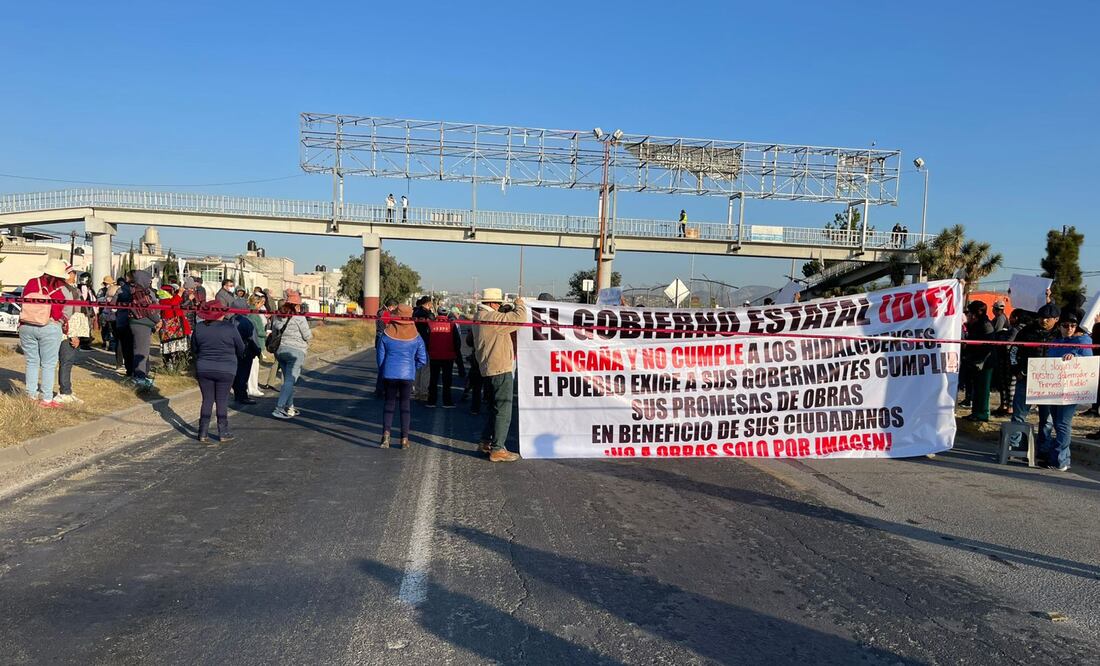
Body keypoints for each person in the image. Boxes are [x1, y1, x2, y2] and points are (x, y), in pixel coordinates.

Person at [473, 288, 526, 462]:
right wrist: (519, 305)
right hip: (500, 368)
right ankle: (498, 448)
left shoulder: (479, 316)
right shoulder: (492, 318)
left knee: (493, 408)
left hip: (488, 368)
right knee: (504, 409)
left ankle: (486, 441)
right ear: (493, 304)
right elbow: (520, 319)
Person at [1037, 311, 1092, 470]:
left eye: (1073, 325)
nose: (1069, 328)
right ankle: (1060, 458)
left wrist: (1075, 357)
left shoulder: (1083, 340)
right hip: (1054, 387)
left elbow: (1088, 361)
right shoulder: (1056, 341)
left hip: (1072, 388)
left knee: (1062, 424)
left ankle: (1060, 460)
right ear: (1059, 326)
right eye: (1066, 325)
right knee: (1056, 422)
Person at [17, 258, 70, 407]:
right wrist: (63, 321)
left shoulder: (32, 282)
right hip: (48, 326)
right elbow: (57, 312)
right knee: (48, 364)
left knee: (32, 361)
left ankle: (31, 395)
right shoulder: (59, 290)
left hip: (26, 325)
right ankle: (47, 398)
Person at [191, 301, 245, 443]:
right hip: (226, 368)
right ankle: (223, 432)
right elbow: (241, 348)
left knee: (207, 399)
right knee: (222, 400)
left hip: (204, 367)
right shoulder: (230, 328)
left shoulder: (199, 328)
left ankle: (202, 432)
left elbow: (194, 348)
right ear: (221, 313)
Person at [376, 304, 428, 449]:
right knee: (405, 406)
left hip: (389, 374)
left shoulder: (386, 334)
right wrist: (412, 368)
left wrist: (383, 370)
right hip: (407, 375)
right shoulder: (416, 337)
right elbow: (423, 359)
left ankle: (385, 436)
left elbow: (380, 357)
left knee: (389, 404)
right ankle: (404, 439)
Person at [271, 290, 311, 419]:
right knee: (290, 381)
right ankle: (279, 408)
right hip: (296, 352)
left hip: (280, 350)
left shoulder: (279, 315)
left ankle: (290, 408)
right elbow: (307, 335)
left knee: (287, 381)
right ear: (297, 305)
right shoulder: (299, 317)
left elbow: (275, 328)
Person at [55, 266, 90, 405]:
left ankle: (66, 390)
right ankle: (65, 392)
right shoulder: (66, 290)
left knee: (67, 361)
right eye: (71, 273)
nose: (74, 275)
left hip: (71, 330)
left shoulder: (71, 289)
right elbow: (69, 314)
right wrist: (73, 335)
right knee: (66, 360)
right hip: (68, 331)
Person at [125, 270, 162, 392]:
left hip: (144, 324)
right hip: (140, 324)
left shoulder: (141, 290)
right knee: (141, 352)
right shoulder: (139, 292)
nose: (150, 281)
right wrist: (157, 320)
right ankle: (139, 378)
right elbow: (148, 309)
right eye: (148, 279)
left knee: (144, 351)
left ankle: (143, 376)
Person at [963, 301, 995, 422]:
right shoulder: (974, 325)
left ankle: (982, 413)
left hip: (985, 363)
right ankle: (975, 412)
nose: (968, 315)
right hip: (975, 362)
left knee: (983, 389)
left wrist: (979, 360)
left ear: (977, 313)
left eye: (970, 313)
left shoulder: (986, 325)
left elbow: (988, 347)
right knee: (976, 389)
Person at [426, 310, 462, 408]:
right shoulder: (451, 325)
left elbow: (427, 339)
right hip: (448, 356)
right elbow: (457, 341)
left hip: (434, 356)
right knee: (447, 380)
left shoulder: (431, 324)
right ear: (446, 314)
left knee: (433, 379)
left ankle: (431, 401)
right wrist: (456, 353)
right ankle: (447, 402)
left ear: (438, 313)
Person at [992, 309, 1024, 417]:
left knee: (1009, 384)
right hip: (1009, 359)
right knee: (1005, 383)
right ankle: (1005, 406)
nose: (1009, 319)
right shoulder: (1015, 329)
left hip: (1010, 359)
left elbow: (1008, 344)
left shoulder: (1016, 330)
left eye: (1012, 317)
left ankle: (1009, 407)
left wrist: (1001, 338)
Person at [230, 297, 262, 405]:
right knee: (243, 374)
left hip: (232, 350)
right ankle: (242, 396)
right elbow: (253, 338)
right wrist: (258, 351)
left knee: (236, 373)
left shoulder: (231, 320)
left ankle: (237, 394)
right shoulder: (247, 321)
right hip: (245, 350)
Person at [158, 284, 192, 374]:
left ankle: (178, 365)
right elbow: (173, 303)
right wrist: (180, 293)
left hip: (177, 329)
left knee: (178, 349)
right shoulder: (164, 300)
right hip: (170, 331)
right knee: (169, 349)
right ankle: (169, 366)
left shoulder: (169, 299)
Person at [374, 299, 399, 398]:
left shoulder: (381, 311)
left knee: (383, 365)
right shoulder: (385, 313)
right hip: (383, 338)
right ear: (391, 306)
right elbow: (387, 326)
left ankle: (380, 389)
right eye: (394, 308)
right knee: (383, 366)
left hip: (379, 338)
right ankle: (381, 389)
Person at [412, 296, 435, 399]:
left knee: (417, 368)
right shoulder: (428, 314)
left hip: (414, 342)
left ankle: (416, 391)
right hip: (425, 343)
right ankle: (424, 392)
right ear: (427, 304)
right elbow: (433, 324)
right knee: (425, 369)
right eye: (431, 304)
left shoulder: (414, 313)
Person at [113, 272, 135, 376]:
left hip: (121, 320)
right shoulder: (139, 289)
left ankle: (128, 369)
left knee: (123, 345)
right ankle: (136, 370)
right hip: (136, 321)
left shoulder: (121, 289)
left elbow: (113, 303)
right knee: (135, 346)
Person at [97, 276, 119, 351]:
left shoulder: (116, 289)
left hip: (114, 313)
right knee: (105, 328)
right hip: (104, 311)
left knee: (113, 329)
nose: (107, 285)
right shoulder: (101, 291)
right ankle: (105, 342)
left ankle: (112, 345)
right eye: (106, 283)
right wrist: (106, 298)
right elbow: (98, 299)